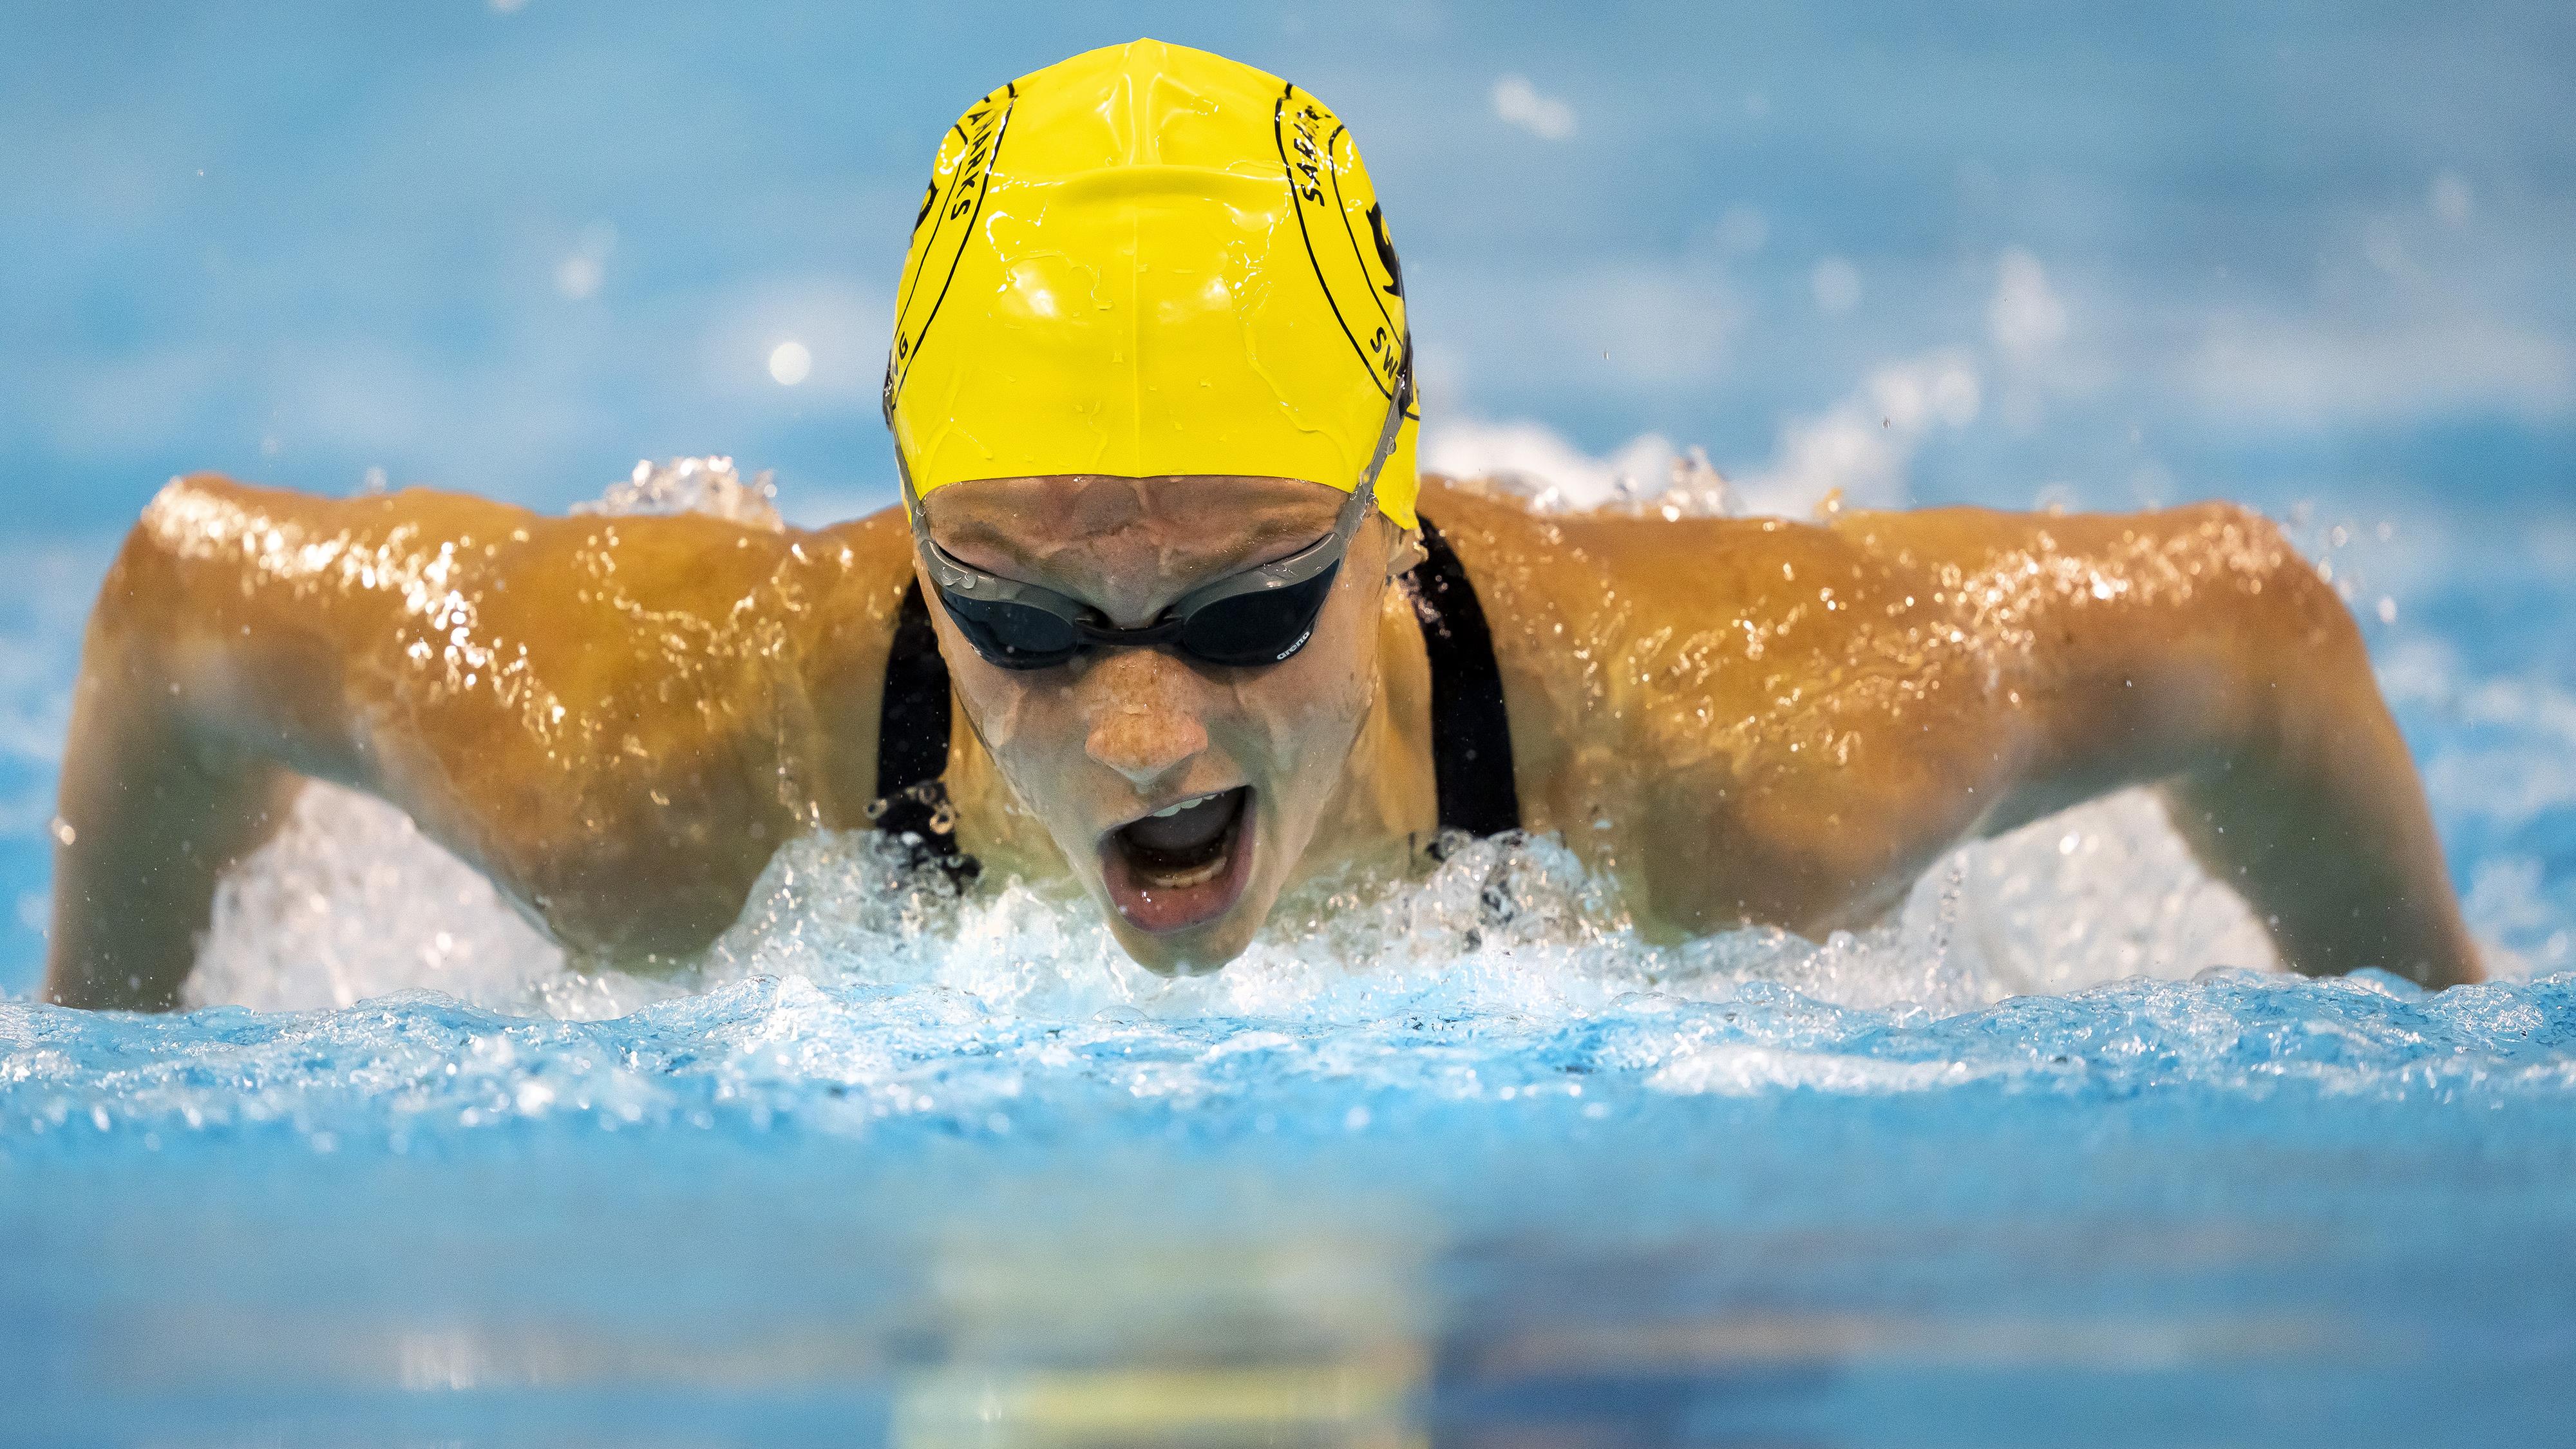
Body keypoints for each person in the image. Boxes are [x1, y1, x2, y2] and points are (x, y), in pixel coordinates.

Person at [43, 39, 2479, 1010]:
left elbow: (2250, 635)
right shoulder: (652, 757)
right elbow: (184, 599)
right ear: (913, 532)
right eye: (1013, 605)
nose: (1131, 724)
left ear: (1391, 519)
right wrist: (112, 1072)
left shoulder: (1740, 766)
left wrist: (2441, 1041)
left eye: (1242, 604)